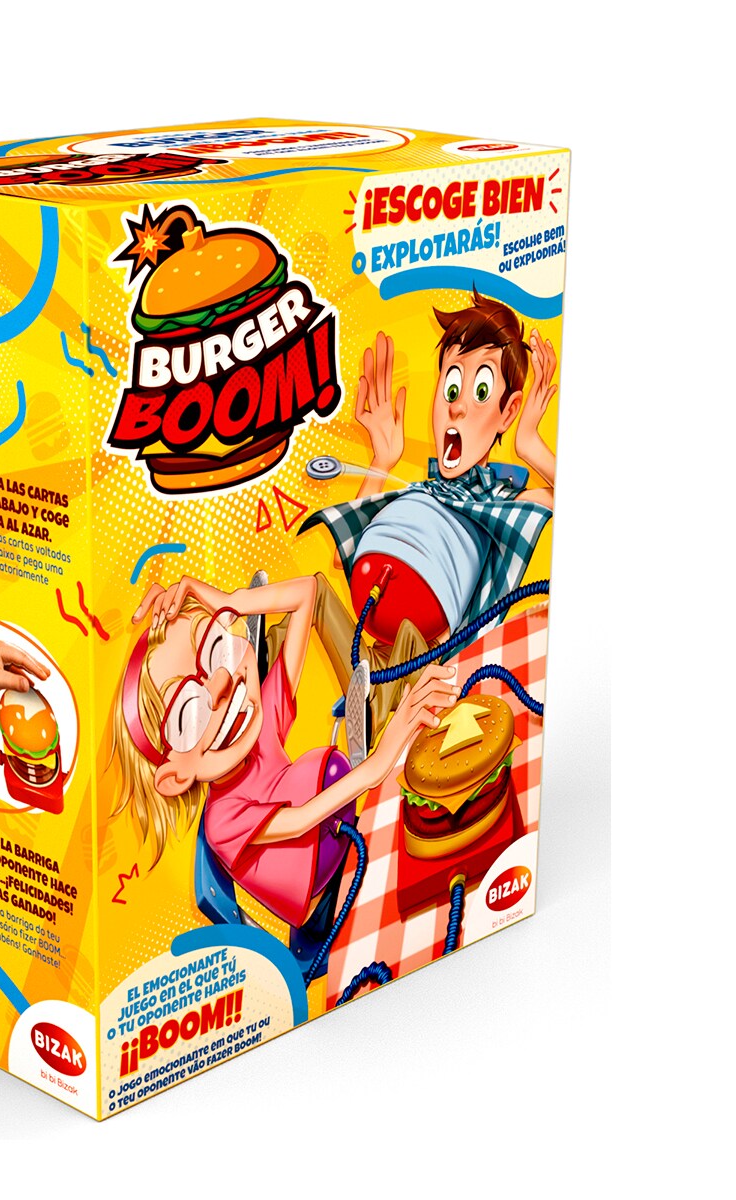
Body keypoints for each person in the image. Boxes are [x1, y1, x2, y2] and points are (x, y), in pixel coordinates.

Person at [112, 573, 457, 965]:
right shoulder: (223, 821)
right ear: (175, 777)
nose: (223, 683)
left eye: (217, 649)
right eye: (189, 711)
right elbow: (302, 820)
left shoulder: (259, 730)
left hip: (348, 835)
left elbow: (309, 593)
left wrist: (230, 600)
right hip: (331, 909)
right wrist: (379, 759)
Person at [300, 290, 557, 739]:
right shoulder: (419, 492)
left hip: (427, 665)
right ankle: (259, 658)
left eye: (480, 392)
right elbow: (345, 557)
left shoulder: (502, 503)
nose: (457, 405)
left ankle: (377, 716)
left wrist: (529, 443)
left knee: (409, 638)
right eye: (451, 387)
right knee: (314, 594)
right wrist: (381, 460)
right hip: (371, 649)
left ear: (508, 412)